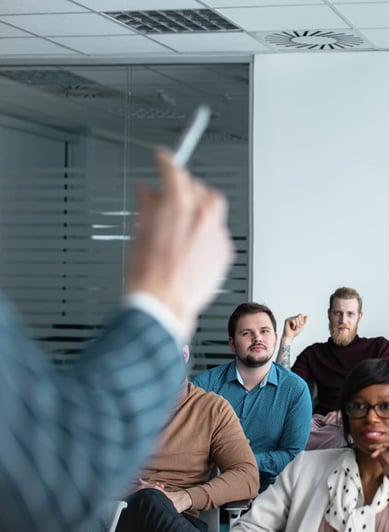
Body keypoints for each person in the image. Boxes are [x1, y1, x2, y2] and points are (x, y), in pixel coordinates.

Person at [0, 148, 233, 531]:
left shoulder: (210, 407)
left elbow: (247, 472)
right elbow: (57, 467)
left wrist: (186, 496)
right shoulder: (136, 396)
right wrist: (165, 299)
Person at [230, 359, 389, 531]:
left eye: (386, 407)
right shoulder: (306, 467)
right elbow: (248, 528)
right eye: (358, 406)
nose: (371, 418)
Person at [192, 302, 312, 491]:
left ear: (275, 337)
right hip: (206, 493)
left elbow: (291, 455)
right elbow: (188, 446)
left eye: (264, 331)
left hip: (269, 496)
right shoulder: (203, 386)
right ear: (232, 343)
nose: (257, 338)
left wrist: (237, 463)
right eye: (246, 333)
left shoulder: (295, 390)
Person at [116, 375, 259, 531]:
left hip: (177, 518)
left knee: (154, 502)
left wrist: (183, 498)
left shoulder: (212, 408)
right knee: (149, 499)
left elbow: (247, 477)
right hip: (115, 514)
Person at [287, 287, 389, 449]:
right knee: (294, 434)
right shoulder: (314, 353)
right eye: (337, 313)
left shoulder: (379, 347)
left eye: (350, 314)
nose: (343, 320)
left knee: (352, 432)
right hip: (322, 423)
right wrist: (287, 339)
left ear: (359, 317)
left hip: (362, 418)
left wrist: (349, 413)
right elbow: (285, 391)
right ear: (329, 314)